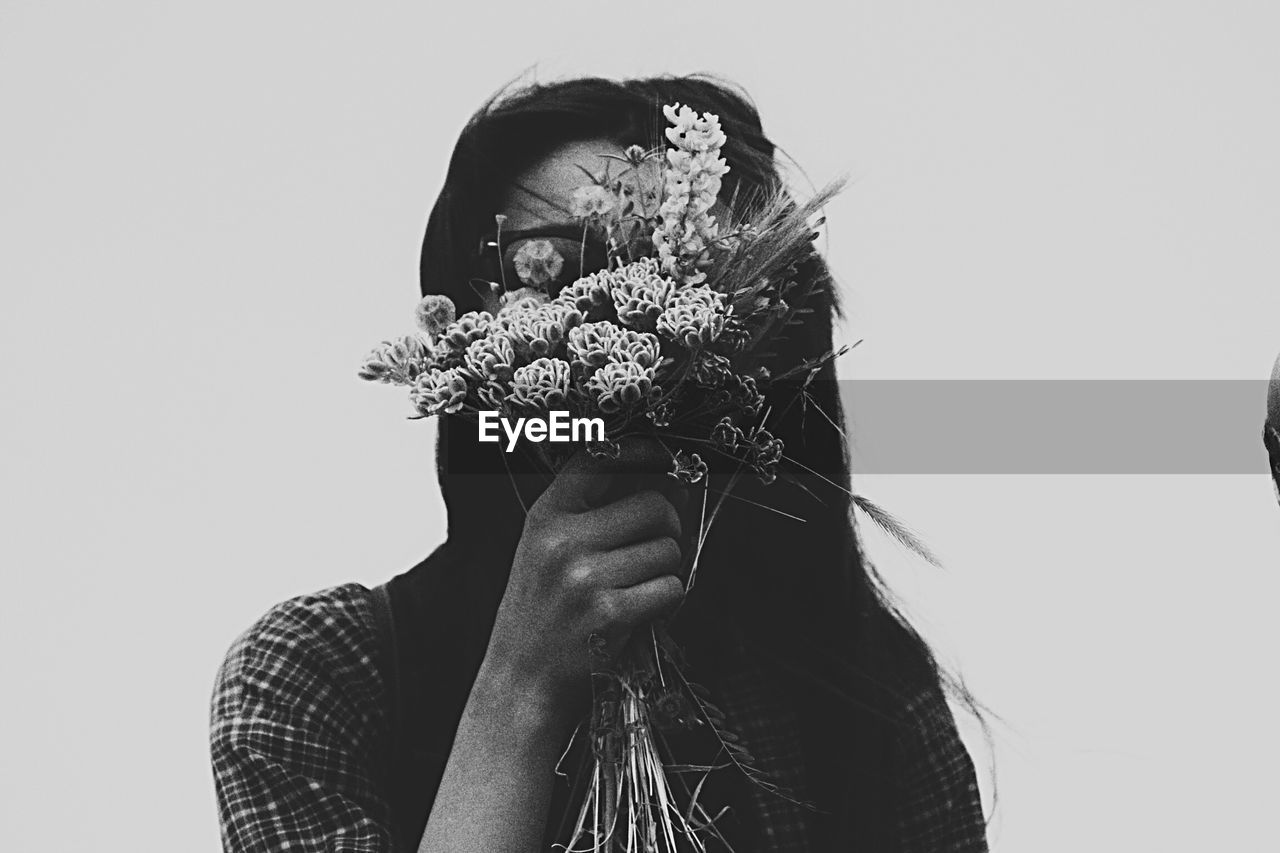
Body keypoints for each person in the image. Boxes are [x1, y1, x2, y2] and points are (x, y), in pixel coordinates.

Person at [210, 75, 990, 852]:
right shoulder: (321, 679)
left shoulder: (866, 695)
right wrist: (520, 687)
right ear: (465, 327)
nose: (626, 324)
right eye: (549, 268)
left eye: (691, 280)